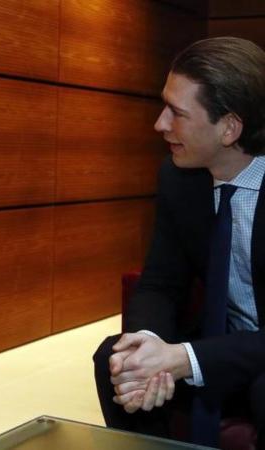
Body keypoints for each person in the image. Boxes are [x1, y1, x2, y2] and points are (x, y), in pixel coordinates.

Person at [93, 36, 265, 448]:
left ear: (229, 128)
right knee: (115, 360)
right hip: (223, 342)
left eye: (177, 113)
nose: (160, 124)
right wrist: (147, 345)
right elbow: (160, 282)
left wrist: (185, 359)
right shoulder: (178, 177)